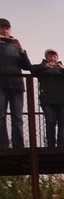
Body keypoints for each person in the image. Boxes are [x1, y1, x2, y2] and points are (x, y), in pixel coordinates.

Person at [29, 49, 64, 147]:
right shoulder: (42, 67)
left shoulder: (62, 68)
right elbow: (32, 69)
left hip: (63, 100)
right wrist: (44, 66)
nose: (53, 58)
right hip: (48, 99)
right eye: (50, 56)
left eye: (54, 56)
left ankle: (61, 145)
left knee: (63, 123)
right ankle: (51, 145)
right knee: (50, 122)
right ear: (46, 57)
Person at [0, 18, 31, 148]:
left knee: (17, 117)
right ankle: (3, 144)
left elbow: (27, 66)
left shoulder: (15, 46)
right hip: (1, 85)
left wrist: (21, 50)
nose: (4, 30)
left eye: (7, 28)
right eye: (1, 27)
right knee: (0, 116)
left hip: (17, 85)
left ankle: (19, 144)